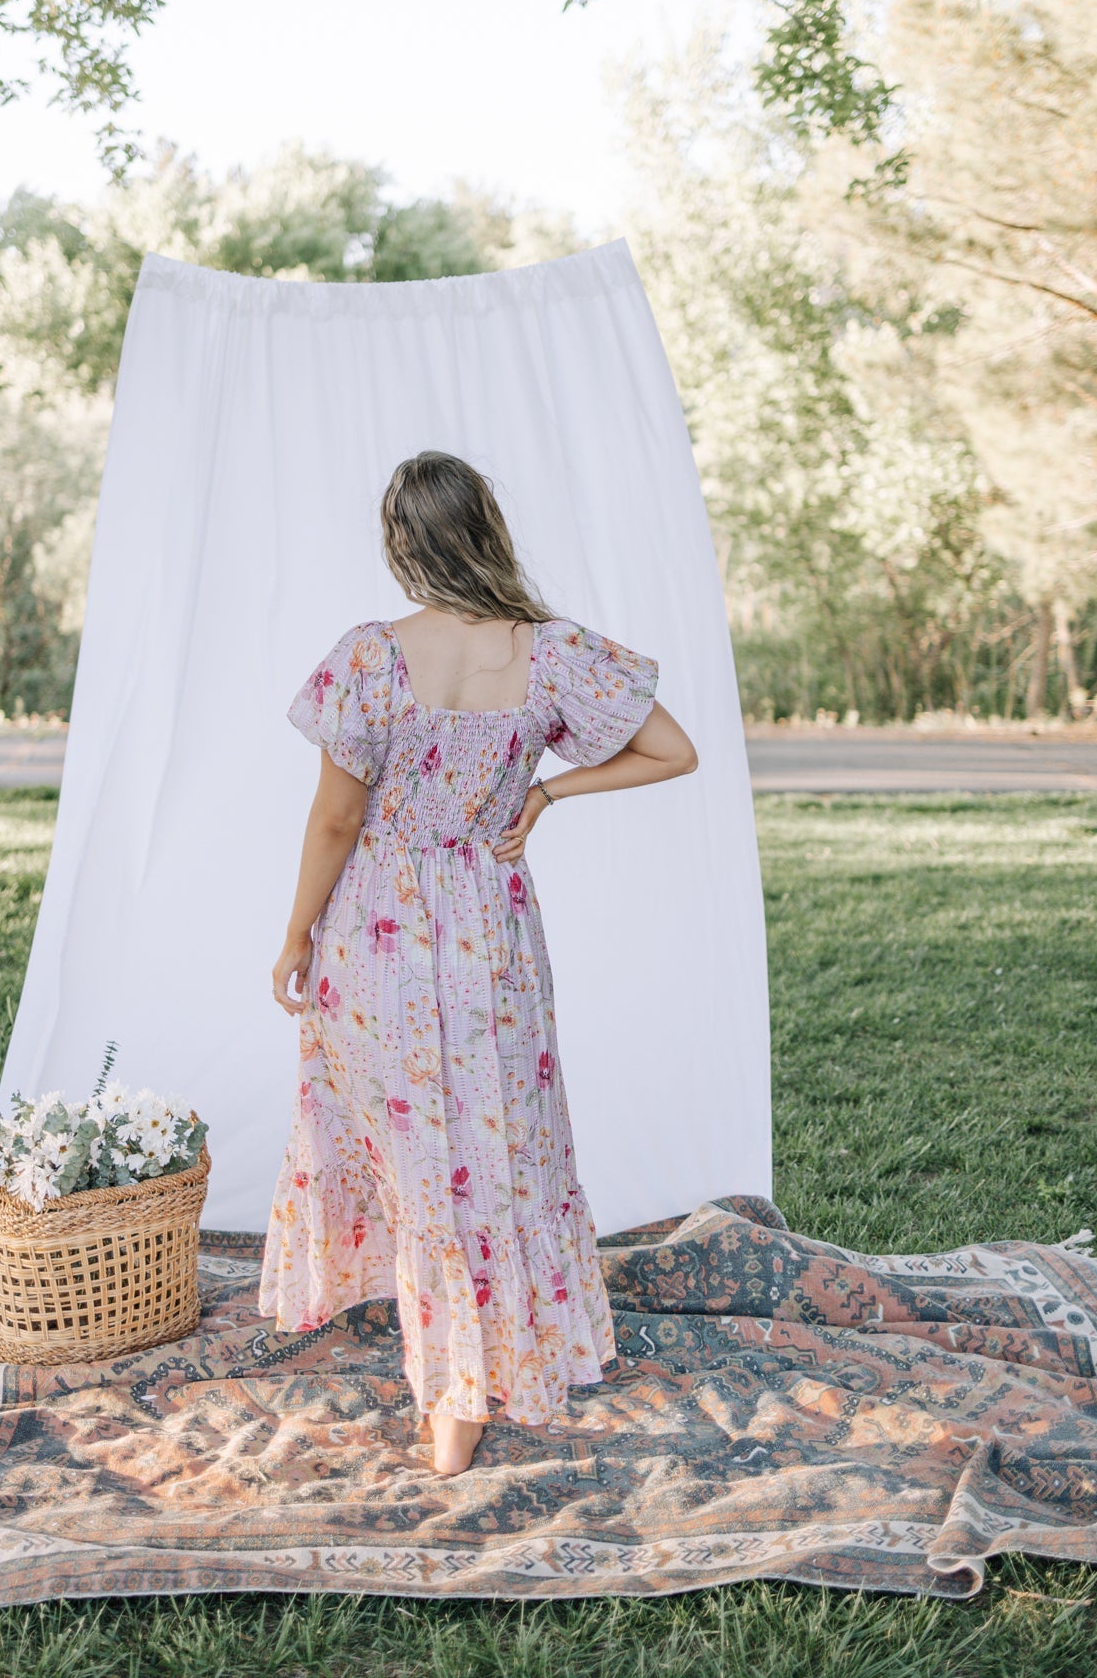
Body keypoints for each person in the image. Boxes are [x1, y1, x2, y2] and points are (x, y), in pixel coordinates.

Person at [261, 450, 699, 1476]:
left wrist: (293, 933)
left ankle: (449, 1397)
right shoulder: (549, 652)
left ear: (402, 542)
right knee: (493, 1142)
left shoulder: (369, 654)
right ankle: (494, 1367)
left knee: (418, 1159)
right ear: (486, 529)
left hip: (376, 926)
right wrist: (541, 792)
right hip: (487, 927)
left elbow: (336, 819)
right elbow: (672, 749)